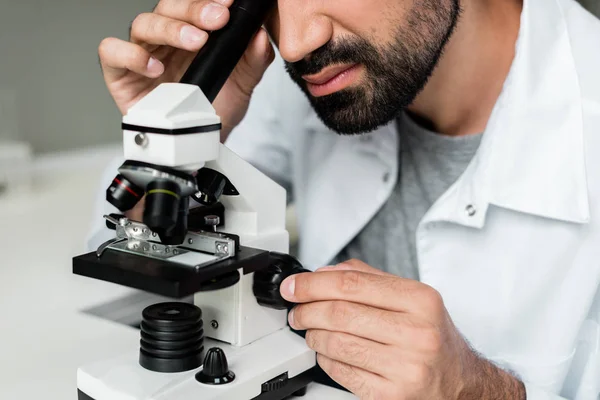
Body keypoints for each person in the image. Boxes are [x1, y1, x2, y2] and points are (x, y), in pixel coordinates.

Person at [90, 0, 600, 398]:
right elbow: (140, 251)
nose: (293, 43)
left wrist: (482, 393)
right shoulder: (305, 80)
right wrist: (179, 135)